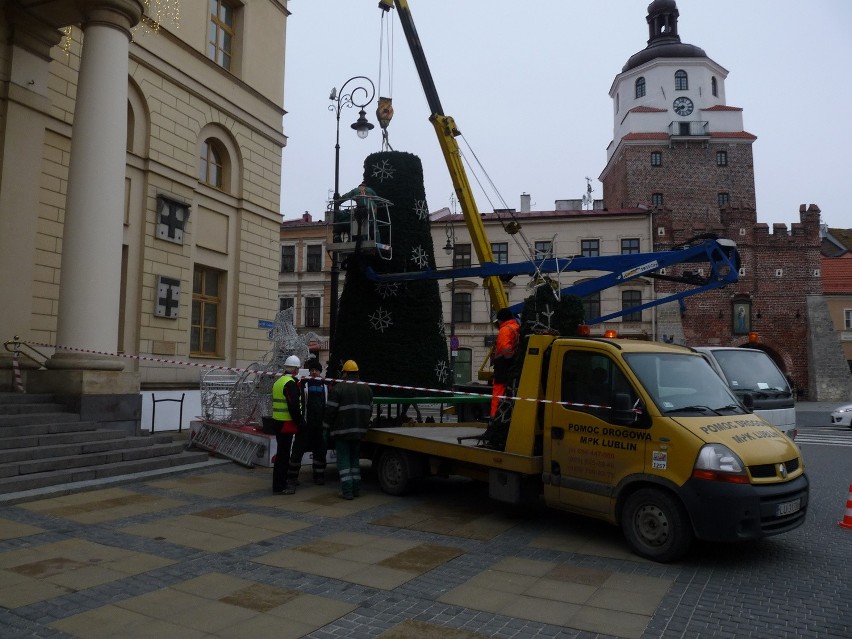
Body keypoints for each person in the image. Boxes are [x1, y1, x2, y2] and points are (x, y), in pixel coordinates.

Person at [323, 359, 373, 500]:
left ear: (344, 373)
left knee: (344, 462)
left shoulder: (339, 388)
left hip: (342, 432)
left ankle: (347, 491)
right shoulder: (367, 388)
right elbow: (370, 411)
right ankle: (356, 489)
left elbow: (330, 412)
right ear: (357, 372)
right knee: (354, 462)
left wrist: (325, 428)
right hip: (359, 432)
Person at [286, 358, 328, 488]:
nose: (314, 372)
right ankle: (292, 477)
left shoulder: (325, 385)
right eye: (312, 370)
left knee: (320, 452)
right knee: (297, 451)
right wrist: (301, 421)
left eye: (316, 370)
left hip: (319, 425)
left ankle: (319, 476)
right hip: (305, 424)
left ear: (320, 372)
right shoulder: (303, 384)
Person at [270, 355, 303, 495]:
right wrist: (300, 422)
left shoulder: (279, 381)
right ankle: (281, 486)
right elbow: (294, 406)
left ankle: (279, 483)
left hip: (277, 422)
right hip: (286, 424)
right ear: (295, 369)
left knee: (281, 455)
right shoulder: (290, 383)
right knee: (283, 456)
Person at [491, 308, 520, 417]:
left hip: (503, 366)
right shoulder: (517, 328)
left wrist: (507, 359)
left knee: (498, 393)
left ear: (500, 320)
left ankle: (495, 417)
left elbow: (505, 350)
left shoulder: (504, 330)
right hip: (512, 366)